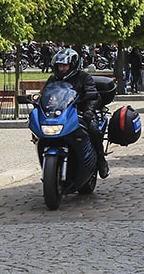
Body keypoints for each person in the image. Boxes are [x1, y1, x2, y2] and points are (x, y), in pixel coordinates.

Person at [47, 48, 109, 179]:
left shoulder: (84, 77)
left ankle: (101, 159)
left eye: (64, 66)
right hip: (62, 113)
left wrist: (89, 109)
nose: (61, 69)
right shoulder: (53, 79)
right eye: (59, 66)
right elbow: (47, 95)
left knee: (93, 129)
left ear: (73, 65)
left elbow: (93, 94)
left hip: (81, 111)